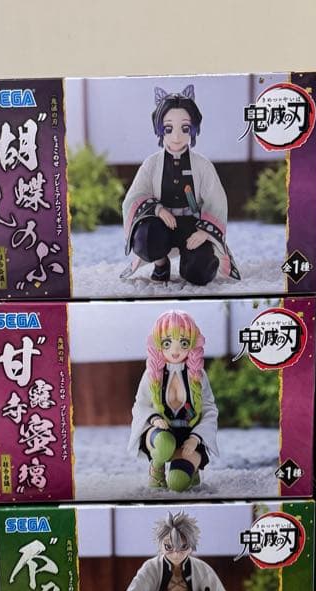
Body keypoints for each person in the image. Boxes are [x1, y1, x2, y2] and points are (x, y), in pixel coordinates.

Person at [121, 86, 239, 285]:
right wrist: (158, 210)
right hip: (160, 224)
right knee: (146, 237)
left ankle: (189, 266)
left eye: (184, 129)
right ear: (160, 130)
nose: (176, 137)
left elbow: (216, 201)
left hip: (193, 225)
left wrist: (204, 232)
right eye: (168, 129)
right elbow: (133, 198)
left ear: (193, 129)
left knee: (200, 271)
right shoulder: (151, 164)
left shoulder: (202, 165)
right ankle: (161, 264)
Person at [127, 310, 218, 491]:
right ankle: (157, 468)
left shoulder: (197, 374)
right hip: (160, 434)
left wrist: (196, 438)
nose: (175, 351)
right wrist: (154, 419)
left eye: (183, 343)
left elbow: (209, 409)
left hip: (189, 439)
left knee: (177, 483)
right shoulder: (152, 373)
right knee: (164, 443)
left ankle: (190, 468)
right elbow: (140, 405)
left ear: (192, 343)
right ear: (158, 343)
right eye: (167, 343)